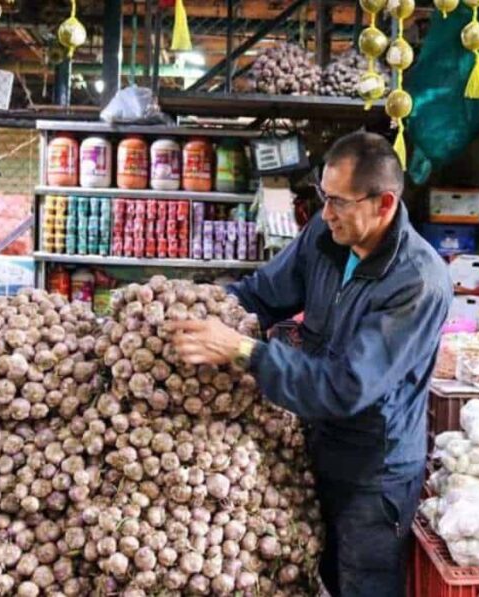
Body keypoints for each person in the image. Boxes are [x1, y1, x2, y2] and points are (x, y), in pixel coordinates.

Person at [169, 131, 452, 596]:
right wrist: (204, 308)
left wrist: (242, 350)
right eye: (324, 196)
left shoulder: (416, 283)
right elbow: (262, 295)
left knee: (363, 586)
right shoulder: (326, 236)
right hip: (318, 444)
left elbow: (345, 387)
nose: (325, 214)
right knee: (319, 577)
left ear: (383, 204)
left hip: (374, 473)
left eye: (339, 202)